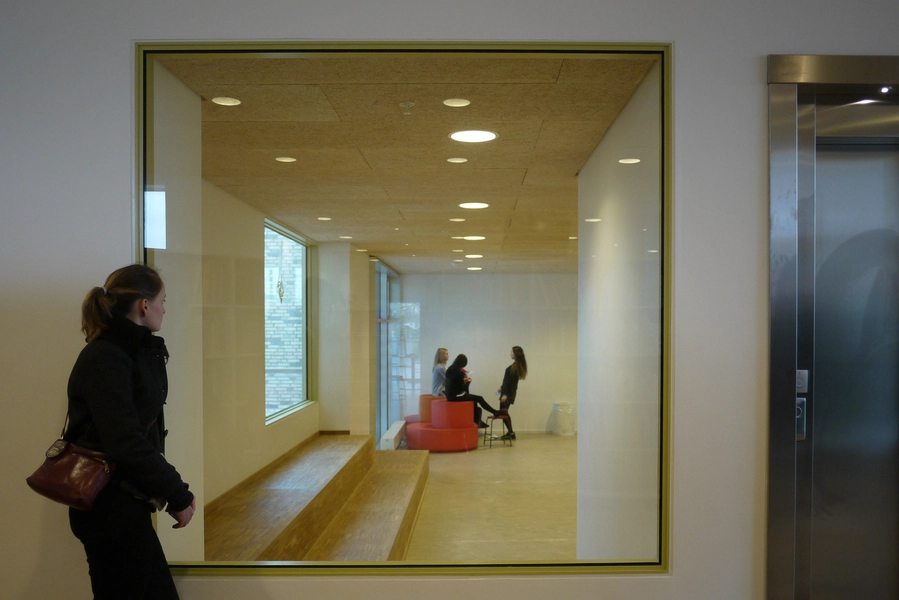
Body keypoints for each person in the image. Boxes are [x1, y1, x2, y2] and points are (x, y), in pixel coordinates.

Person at [66, 264, 195, 599]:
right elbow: (125, 442)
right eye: (163, 301)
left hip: (125, 503)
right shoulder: (106, 357)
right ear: (144, 305)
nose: (165, 309)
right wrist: (178, 493)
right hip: (108, 508)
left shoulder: (133, 352)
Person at [444, 353, 498, 428]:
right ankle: (494, 412)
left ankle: (478, 421)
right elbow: (463, 390)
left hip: (449, 395)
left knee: (475, 400)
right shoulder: (460, 374)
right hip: (456, 396)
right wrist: (468, 382)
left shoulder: (450, 369)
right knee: (480, 398)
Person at [497, 346, 528, 440]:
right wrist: (501, 388)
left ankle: (511, 433)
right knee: (504, 412)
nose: (510, 353)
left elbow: (510, 383)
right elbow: (509, 382)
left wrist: (505, 394)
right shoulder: (516, 366)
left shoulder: (514, 367)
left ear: (516, 354)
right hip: (507, 393)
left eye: (511, 352)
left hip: (507, 394)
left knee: (504, 413)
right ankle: (510, 432)